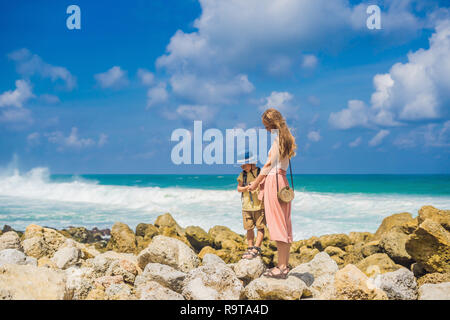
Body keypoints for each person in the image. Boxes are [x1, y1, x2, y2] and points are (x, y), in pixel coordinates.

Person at [248, 108, 296, 279]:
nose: (266, 129)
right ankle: (284, 265)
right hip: (283, 182)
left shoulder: (277, 141)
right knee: (284, 224)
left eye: (266, 126)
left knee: (277, 224)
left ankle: (281, 267)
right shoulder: (287, 139)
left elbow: (268, 166)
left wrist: (255, 183)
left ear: (272, 123)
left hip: (274, 182)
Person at [236, 150, 266, 260]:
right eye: (241, 165)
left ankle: (256, 248)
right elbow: (239, 189)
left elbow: (265, 185)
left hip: (259, 205)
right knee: (249, 228)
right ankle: (250, 247)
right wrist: (246, 188)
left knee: (260, 227)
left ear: (252, 162)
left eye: (244, 164)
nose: (242, 167)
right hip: (246, 206)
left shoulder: (260, 172)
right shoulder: (242, 175)